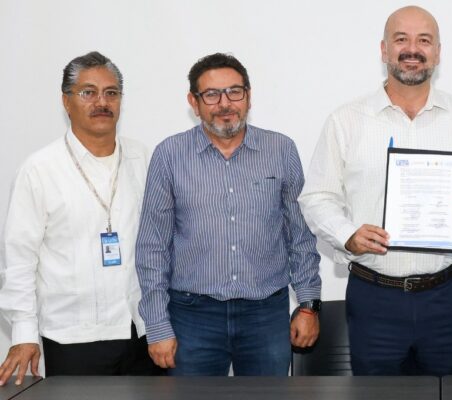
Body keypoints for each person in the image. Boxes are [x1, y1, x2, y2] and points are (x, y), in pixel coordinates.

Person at [298, 5, 452, 376]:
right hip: (374, 298)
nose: (412, 49)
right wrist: (348, 235)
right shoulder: (346, 121)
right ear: (384, 49)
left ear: (437, 52)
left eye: (424, 40)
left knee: (449, 395)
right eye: (401, 39)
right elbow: (317, 197)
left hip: (445, 297)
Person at [135, 53, 322, 376]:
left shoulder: (281, 150)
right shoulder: (169, 155)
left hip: (265, 314)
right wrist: (157, 324)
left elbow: (300, 235)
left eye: (234, 92)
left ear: (248, 96)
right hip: (192, 316)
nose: (225, 103)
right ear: (194, 102)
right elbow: (153, 247)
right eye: (211, 94)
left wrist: (308, 305)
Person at [0, 51, 161, 386]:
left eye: (111, 92)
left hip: (141, 332)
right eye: (88, 92)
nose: (102, 102)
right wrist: (24, 333)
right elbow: (19, 259)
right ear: (66, 101)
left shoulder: (142, 158)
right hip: (73, 336)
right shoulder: (40, 169)